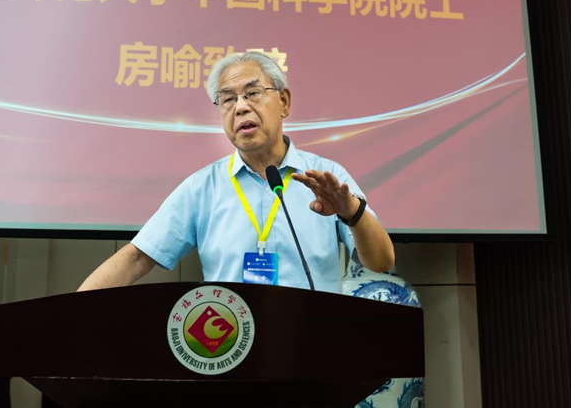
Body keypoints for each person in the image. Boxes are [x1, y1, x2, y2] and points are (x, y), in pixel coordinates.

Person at [78, 51, 394, 292]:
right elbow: (137, 257)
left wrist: (352, 212)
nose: (240, 107)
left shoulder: (325, 176)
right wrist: (70, 313)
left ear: (284, 102)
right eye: (227, 99)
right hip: (229, 345)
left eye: (253, 93)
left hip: (311, 343)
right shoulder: (202, 188)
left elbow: (381, 261)